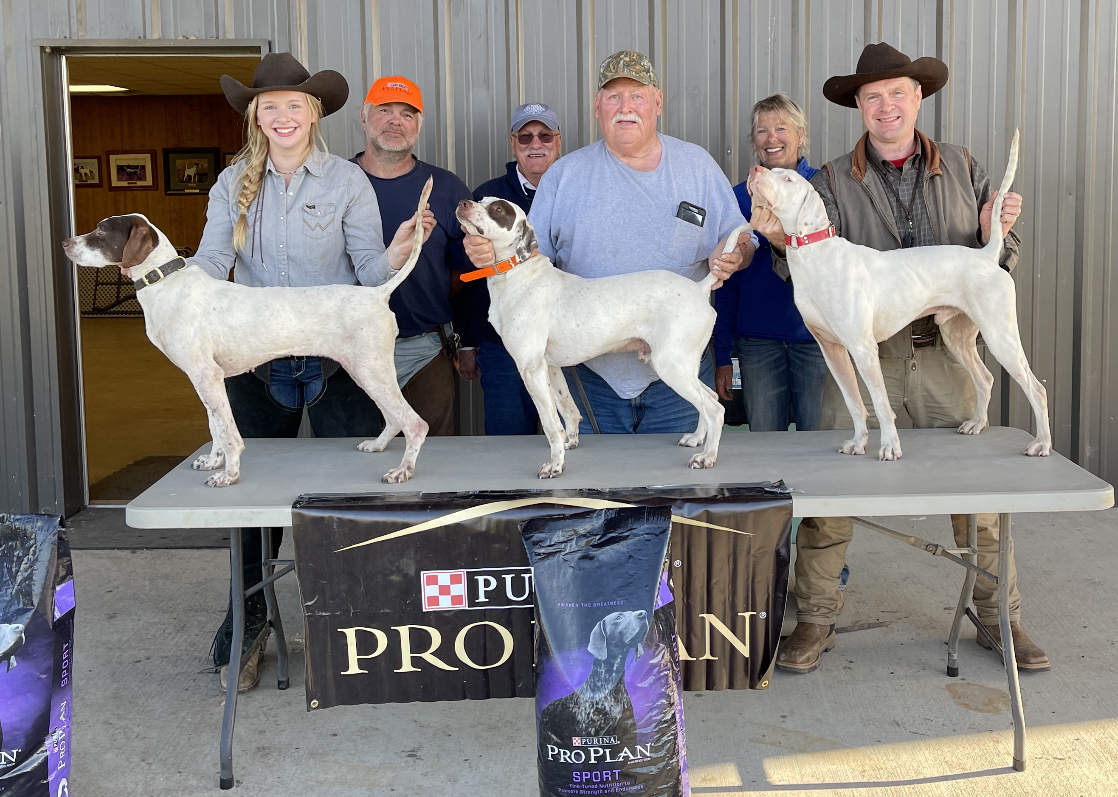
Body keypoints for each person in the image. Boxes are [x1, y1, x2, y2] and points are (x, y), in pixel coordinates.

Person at [773, 42, 1048, 674]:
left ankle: (997, 613)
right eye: (873, 97)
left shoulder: (963, 164)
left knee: (978, 495)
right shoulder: (832, 179)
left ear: (917, 98)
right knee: (831, 498)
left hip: (946, 360)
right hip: (865, 356)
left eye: (897, 93)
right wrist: (776, 240)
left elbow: (997, 258)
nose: (886, 106)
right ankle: (814, 619)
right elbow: (806, 265)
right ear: (860, 108)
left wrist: (997, 227)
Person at [191, 52, 435, 692]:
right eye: (268, 106)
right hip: (253, 359)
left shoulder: (347, 183)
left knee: (351, 498)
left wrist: (399, 250)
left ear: (314, 113)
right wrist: (172, 289)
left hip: (333, 359)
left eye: (292, 106)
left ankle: (360, 623)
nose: (281, 116)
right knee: (248, 506)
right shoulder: (230, 182)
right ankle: (248, 624)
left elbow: (370, 274)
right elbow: (214, 263)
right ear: (256, 115)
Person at [464, 50, 751, 434]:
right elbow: (528, 262)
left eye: (637, 96)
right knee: (594, 491)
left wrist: (736, 253)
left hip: (675, 379)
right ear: (597, 106)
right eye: (614, 97)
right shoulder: (564, 176)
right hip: (591, 379)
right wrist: (488, 253)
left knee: (681, 491)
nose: (625, 107)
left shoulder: (697, 166)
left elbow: (741, 237)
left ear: (658, 102)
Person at [353, 76, 472, 436]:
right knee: (356, 461)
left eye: (407, 114)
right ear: (364, 115)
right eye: (384, 110)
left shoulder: (446, 187)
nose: (395, 121)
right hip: (350, 351)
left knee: (436, 460)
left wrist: (465, 340)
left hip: (425, 349)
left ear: (418, 125)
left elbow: (466, 274)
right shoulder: (337, 183)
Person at [714, 93, 827, 432]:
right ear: (754, 141)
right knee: (764, 443)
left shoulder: (823, 189)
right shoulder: (738, 197)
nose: (772, 138)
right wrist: (723, 356)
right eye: (762, 131)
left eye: (782, 128)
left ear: (801, 134)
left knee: (822, 441)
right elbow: (726, 286)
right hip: (757, 345)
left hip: (817, 339)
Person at [458, 102, 563, 434]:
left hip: (565, 347)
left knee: (568, 441)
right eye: (526, 136)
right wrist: (468, 342)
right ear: (512, 142)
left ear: (558, 141)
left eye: (545, 136)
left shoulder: (575, 192)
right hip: (502, 347)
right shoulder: (488, 199)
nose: (536, 144)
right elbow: (468, 278)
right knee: (508, 443)